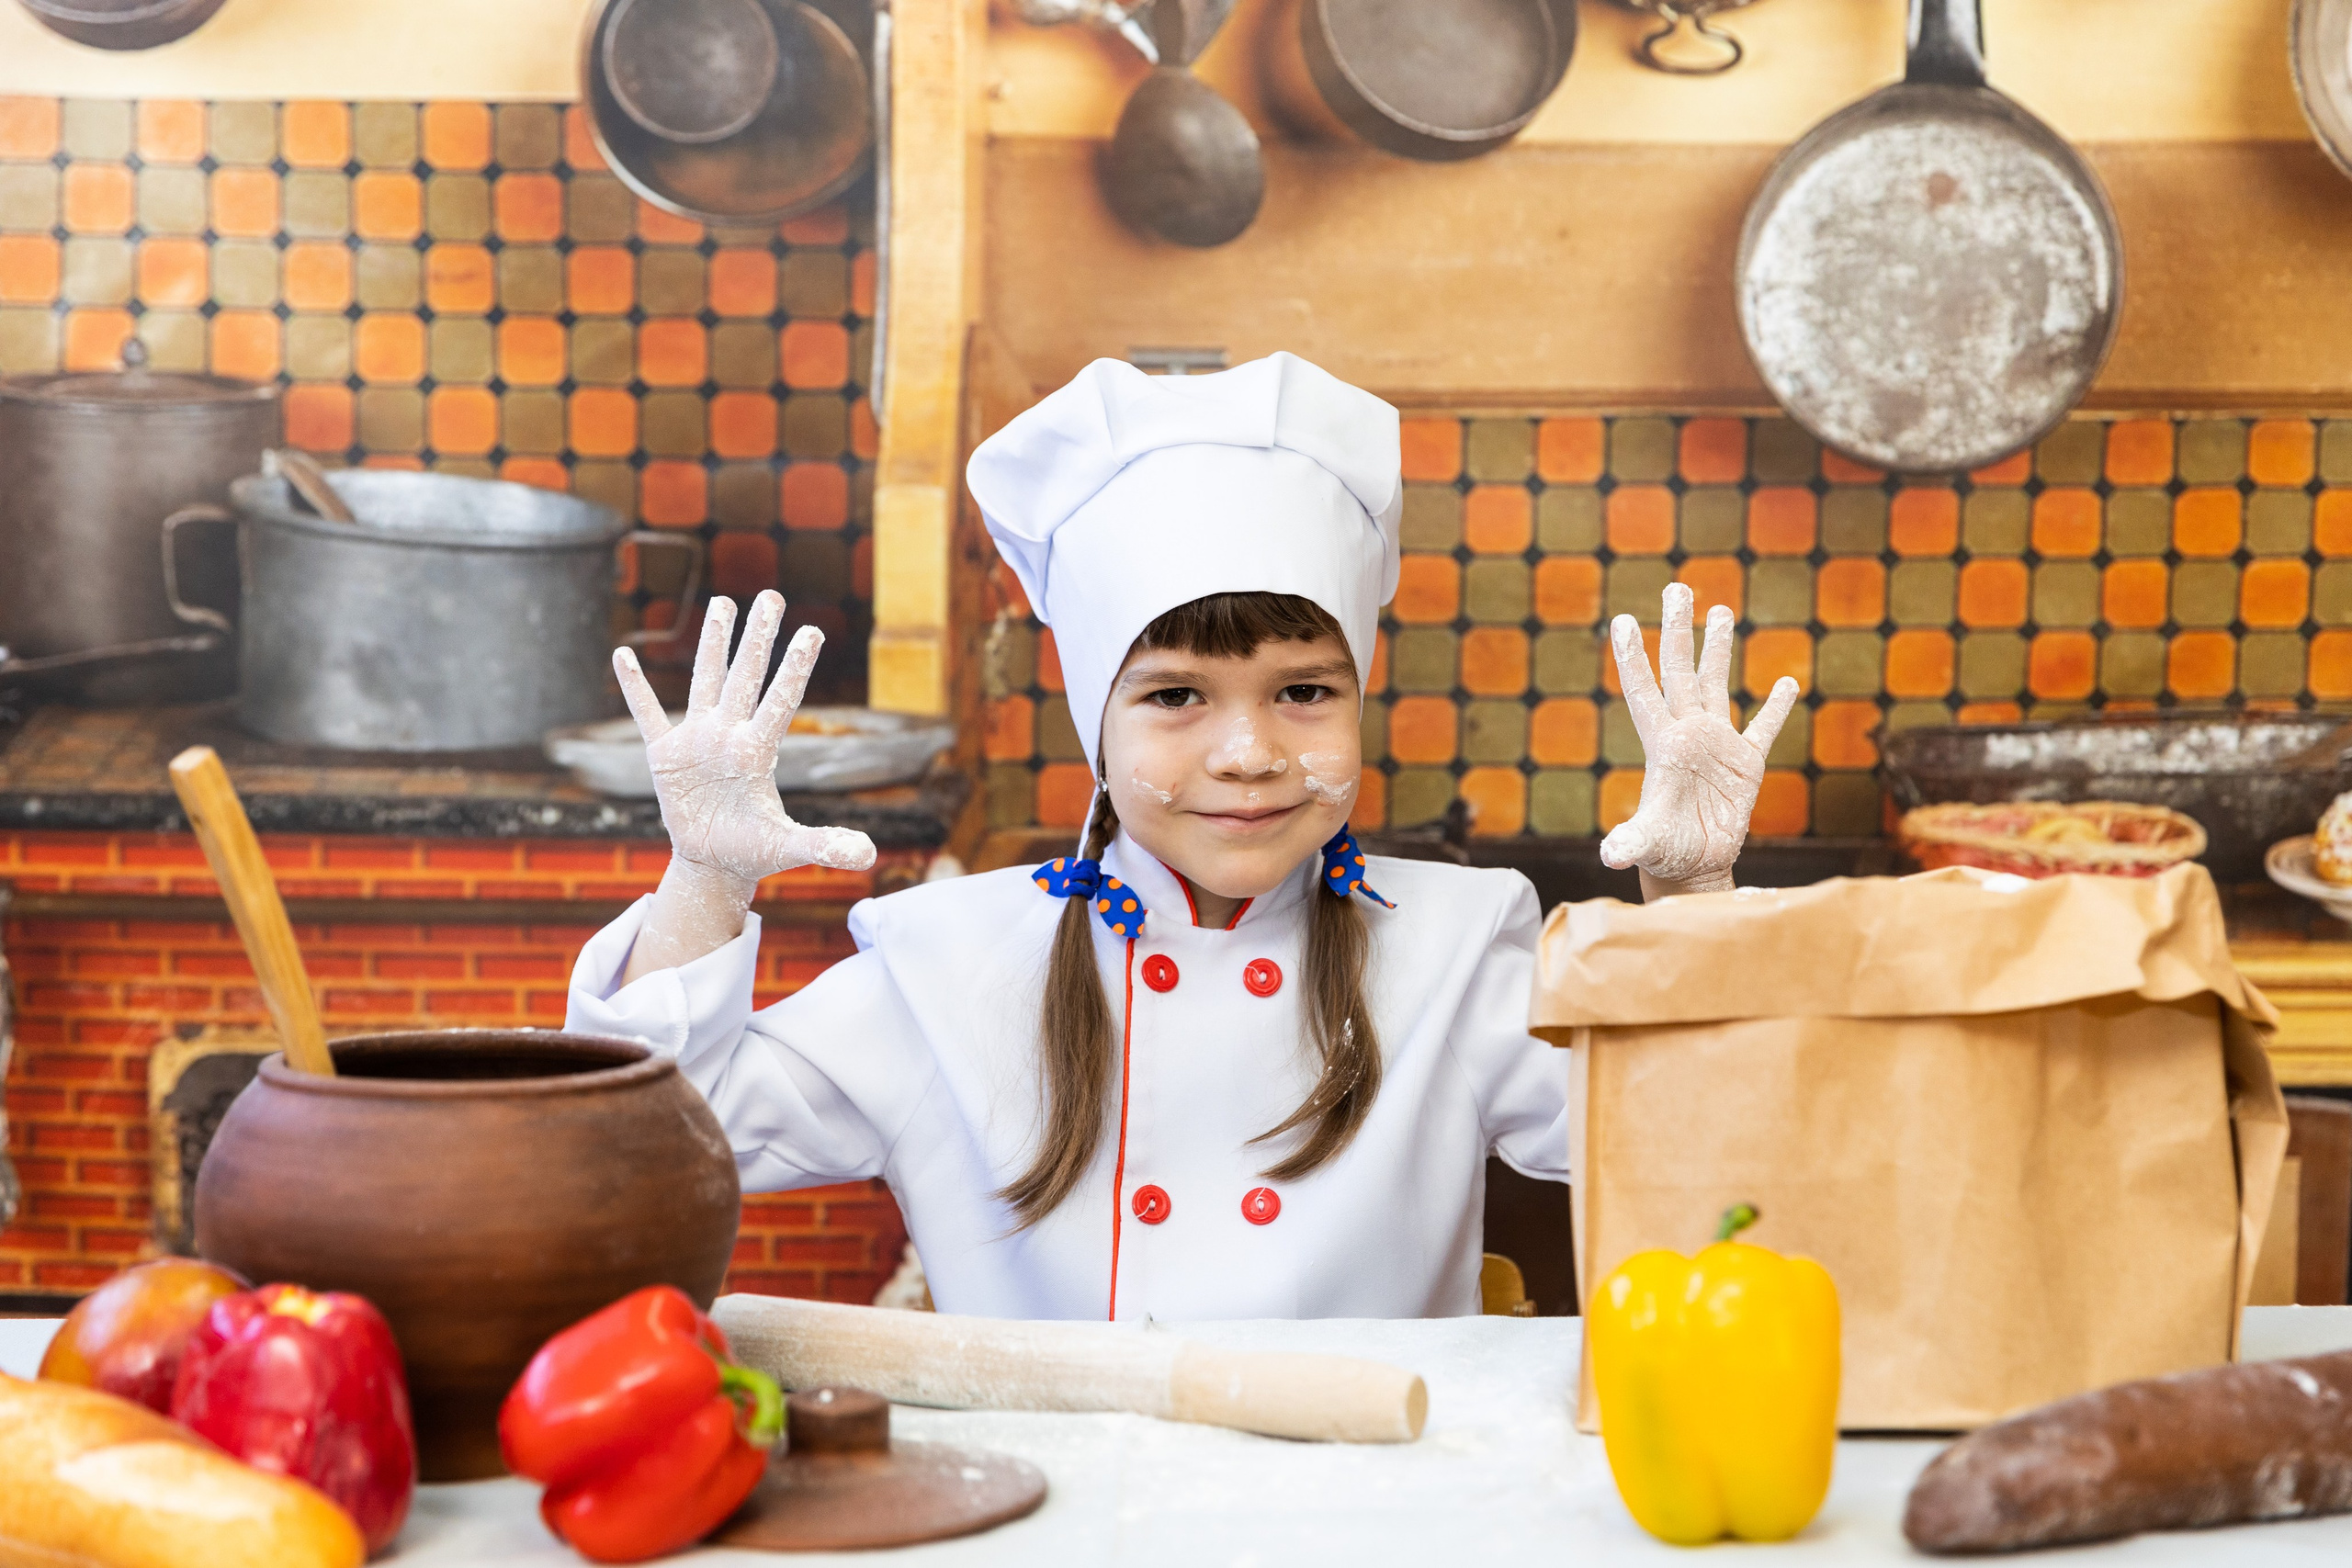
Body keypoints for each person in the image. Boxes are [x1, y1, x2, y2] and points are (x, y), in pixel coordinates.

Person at [567, 352, 1796, 1320]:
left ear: (1362, 696)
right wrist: (704, 882)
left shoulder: (1458, 951)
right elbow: (643, 1154)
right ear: (1092, 721)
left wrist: (1695, 888)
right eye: (1174, 698)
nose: (1248, 751)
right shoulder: (948, 968)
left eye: (1304, 692)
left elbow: (1716, 1157)